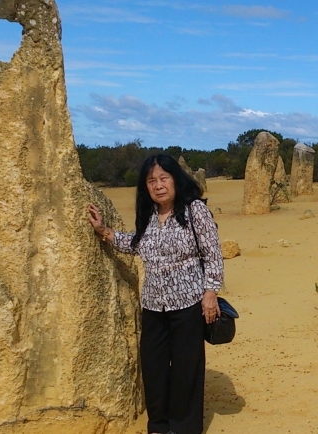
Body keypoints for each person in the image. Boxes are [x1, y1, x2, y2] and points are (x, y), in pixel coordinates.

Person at [88, 154, 223, 434]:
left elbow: (213, 254)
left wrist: (210, 293)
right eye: (152, 181)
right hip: (153, 307)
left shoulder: (194, 209)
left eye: (164, 178)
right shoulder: (149, 214)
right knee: (155, 368)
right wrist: (105, 232)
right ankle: (159, 426)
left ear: (175, 180)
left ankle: (184, 427)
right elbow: (136, 244)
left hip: (188, 304)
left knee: (187, 369)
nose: (158, 185)